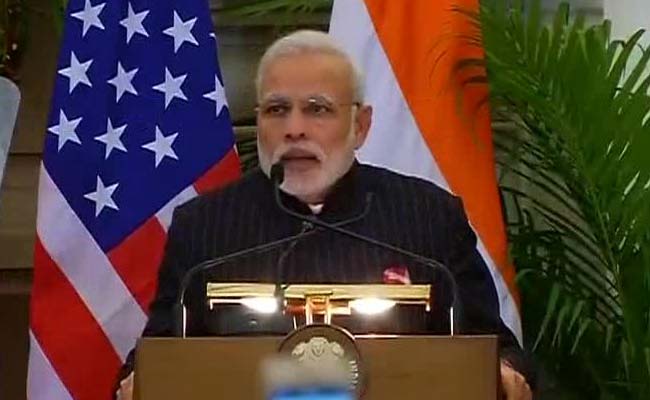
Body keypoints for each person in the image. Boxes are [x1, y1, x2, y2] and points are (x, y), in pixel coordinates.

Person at [116, 30, 533, 400]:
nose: (294, 129)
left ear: (361, 126)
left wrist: (507, 374)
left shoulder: (427, 216)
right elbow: (160, 351)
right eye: (277, 110)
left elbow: (493, 345)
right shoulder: (205, 225)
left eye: (317, 109)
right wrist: (138, 380)